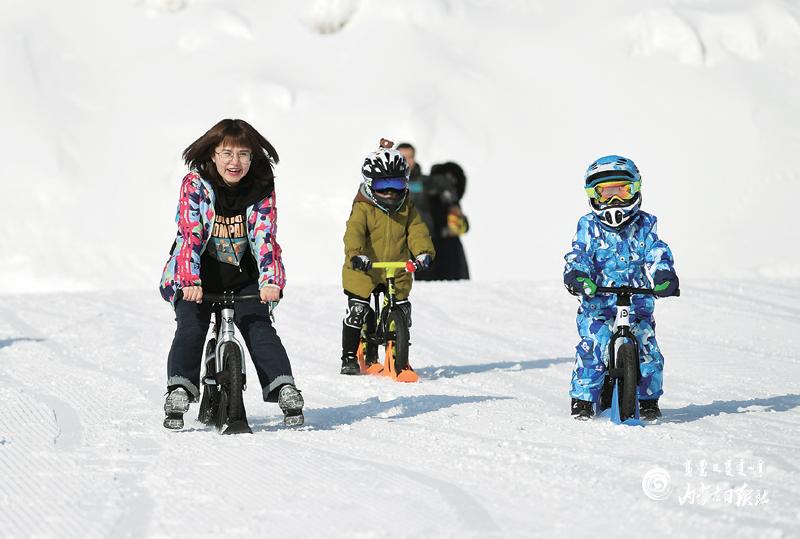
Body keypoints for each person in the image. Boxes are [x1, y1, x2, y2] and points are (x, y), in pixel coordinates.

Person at [158, 118, 303, 429]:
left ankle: (284, 387)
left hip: (243, 278)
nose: (234, 162)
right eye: (227, 153)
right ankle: (179, 389)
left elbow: (265, 236)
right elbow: (190, 234)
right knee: (191, 326)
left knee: (258, 326)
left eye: (243, 154)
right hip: (197, 276)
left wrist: (270, 281)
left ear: (252, 157)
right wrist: (189, 281)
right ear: (213, 155)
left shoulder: (260, 186)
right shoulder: (196, 185)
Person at [563, 155, 679, 421]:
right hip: (599, 304)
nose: (614, 201)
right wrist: (578, 275)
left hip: (636, 304)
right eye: (606, 194)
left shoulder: (645, 225)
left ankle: (648, 399)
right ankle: (583, 399)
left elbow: (656, 251)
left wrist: (663, 274)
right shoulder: (589, 226)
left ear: (635, 190)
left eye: (622, 191)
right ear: (593, 196)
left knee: (648, 349)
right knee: (593, 346)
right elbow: (579, 255)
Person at [339, 139, 435, 375]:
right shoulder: (363, 207)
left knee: (402, 309)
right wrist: (356, 255)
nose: (391, 192)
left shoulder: (406, 207)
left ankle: (398, 355)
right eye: (383, 185)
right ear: (370, 183)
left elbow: (417, 231)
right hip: (365, 269)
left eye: (396, 184)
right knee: (358, 310)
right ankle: (349, 357)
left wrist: (423, 252)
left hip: (397, 267)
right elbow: (354, 233)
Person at [397, 143, 470, 281]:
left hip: (427, 243)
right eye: (402, 157)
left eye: (409, 157)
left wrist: (452, 207)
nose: (406, 161)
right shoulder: (384, 184)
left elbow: (451, 193)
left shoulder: (428, 183)